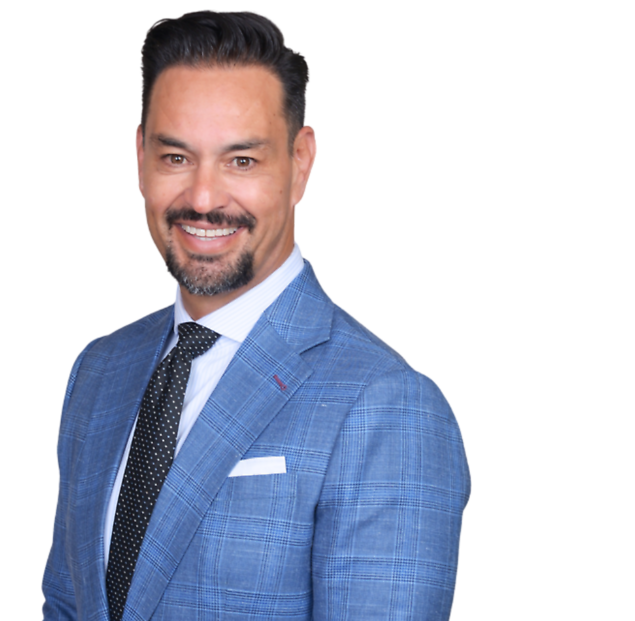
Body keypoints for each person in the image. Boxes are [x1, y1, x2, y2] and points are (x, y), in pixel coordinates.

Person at [40, 10, 472, 620]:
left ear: (301, 162)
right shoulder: (96, 372)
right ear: (138, 158)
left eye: (241, 160)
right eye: (175, 157)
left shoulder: (388, 404)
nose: (205, 198)